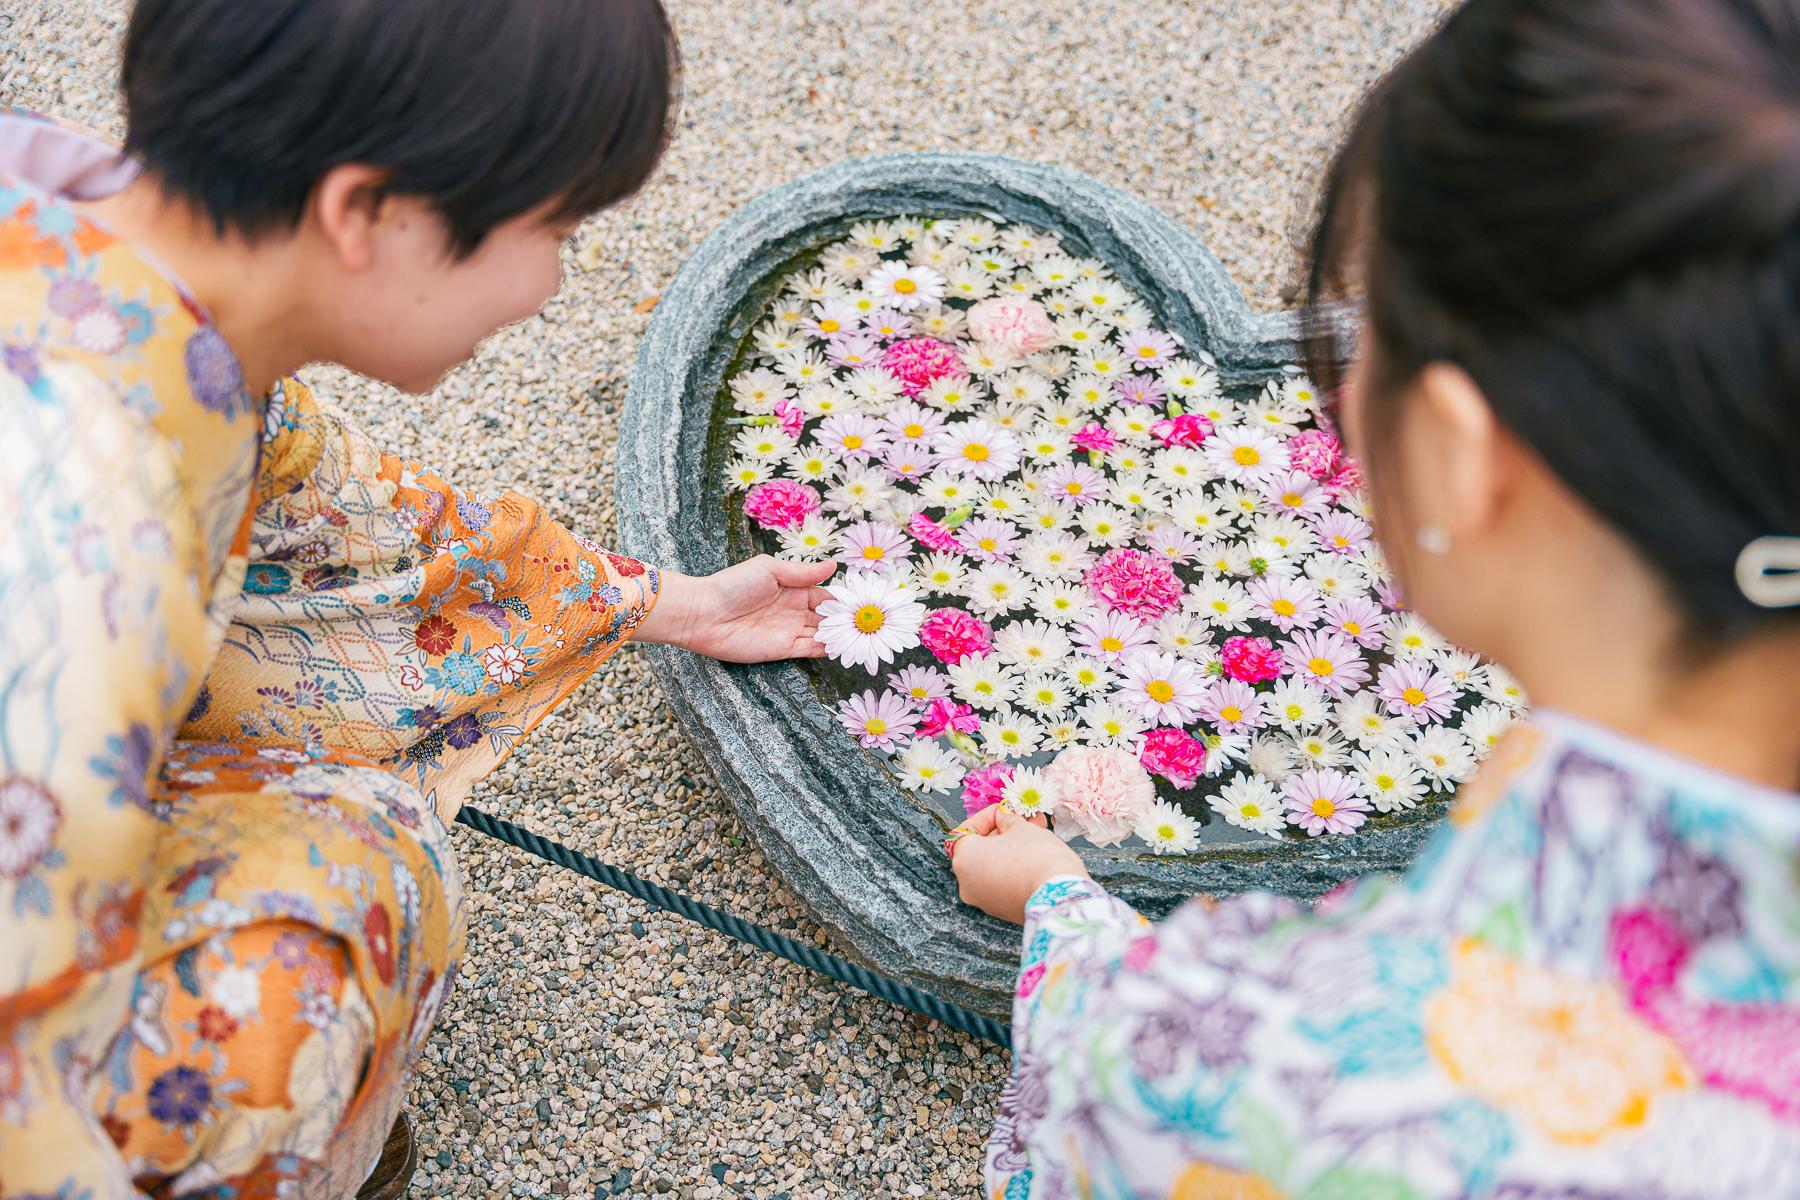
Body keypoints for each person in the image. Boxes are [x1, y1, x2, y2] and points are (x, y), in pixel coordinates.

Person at [950, 0, 1800, 1194]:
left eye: (1368, 351)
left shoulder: (1260, 1075)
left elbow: (1155, 1081)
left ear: (1459, 450)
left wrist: (1064, 912)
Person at [0, 0, 834, 1194]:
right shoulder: (80, 543)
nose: (549, 284)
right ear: (367, 212)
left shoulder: (81, 222)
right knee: (348, 891)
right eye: (556, 229)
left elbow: (348, 519)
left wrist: (667, 603)